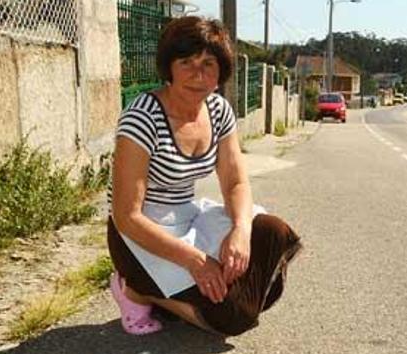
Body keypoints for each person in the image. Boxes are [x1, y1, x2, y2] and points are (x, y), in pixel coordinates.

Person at [107, 16, 302, 337]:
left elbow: (236, 182)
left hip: (190, 218)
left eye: (209, 64)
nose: (198, 75)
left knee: (271, 232)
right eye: (186, 62)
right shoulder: (141, 119)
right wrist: (196, 262)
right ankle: (138, 289)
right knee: (235, 319)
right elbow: (127, 216)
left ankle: (186, 295)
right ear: (169, 66)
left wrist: (240, 230)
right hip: (140, 235)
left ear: (220, 72)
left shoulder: (219, 110)